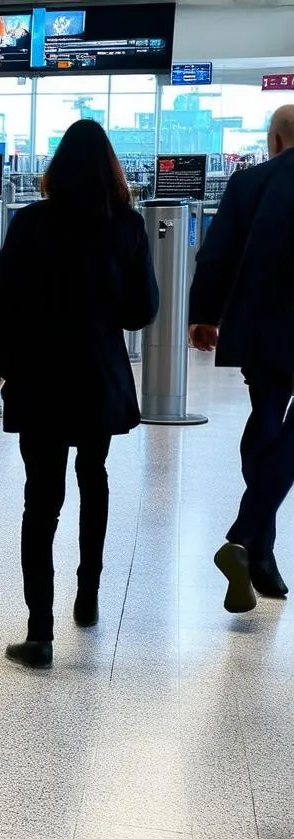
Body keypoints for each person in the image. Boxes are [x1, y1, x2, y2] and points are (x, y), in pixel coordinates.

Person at [0, 119, 159, 669]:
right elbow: (141, 310)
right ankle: (88, 594)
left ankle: (39, 631)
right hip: (97, 377)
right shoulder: (127, 227)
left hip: (39, 378)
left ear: (57, 169)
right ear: (110, 170)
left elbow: (1, 298)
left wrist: (1, 360)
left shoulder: (30, 222)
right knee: (95, 477)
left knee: (41, 499)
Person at [189, 105, 294, 613]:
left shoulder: (248, 184)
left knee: (267, 424)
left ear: (274, 139)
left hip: (263, 331)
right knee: (282, 440)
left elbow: (217, 253)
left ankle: (254, 549)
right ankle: (250, 542)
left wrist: (203, 315)